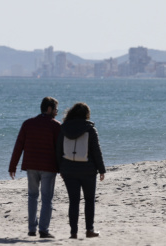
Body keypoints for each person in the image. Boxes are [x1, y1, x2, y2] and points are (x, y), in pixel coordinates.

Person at [8, 97, 61, 238]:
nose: (57, 112)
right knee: (47, 198)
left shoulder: (28, 124)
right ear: (49, 109)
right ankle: (43, 230)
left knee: (32, 196)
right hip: (48, 167)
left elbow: (18, 145)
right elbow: (60, 150)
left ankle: (32, 229)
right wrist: (63, 168)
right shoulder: (56, 126)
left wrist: (12, 165)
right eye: (56, 109)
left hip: (31, 167)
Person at [56, 102, 106, 239]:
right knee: (89, 200)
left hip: (68, 170)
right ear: (86, 115)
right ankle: (89, 230)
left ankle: (73, 233)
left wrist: (60, 168)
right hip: (88, 170)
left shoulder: (63, 128)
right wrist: (102, 170)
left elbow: (58, 150)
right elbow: (96, 151)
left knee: (74, 201)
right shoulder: (90, 130)